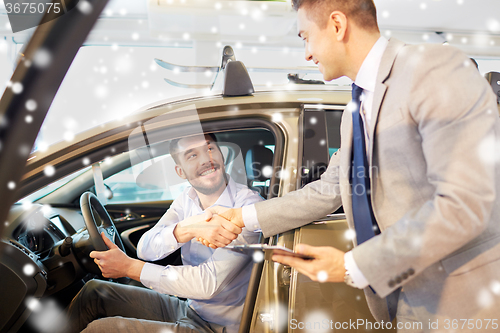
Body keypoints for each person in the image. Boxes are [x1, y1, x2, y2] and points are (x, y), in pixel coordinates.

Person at [201, 0, 500, 330]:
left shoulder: (433, 69)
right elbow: (331, 188)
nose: (307, 54)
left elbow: (465, 202)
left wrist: (353, 265)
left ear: (338, 25)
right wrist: (242, 217)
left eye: (305, 37)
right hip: (405, 300)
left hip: (466, 300)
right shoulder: (354, 111)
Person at [63, 133, 263, 333]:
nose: (206, 160)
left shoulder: (248, 208)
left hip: (218, 327)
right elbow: (145, 248)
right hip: (192, 309)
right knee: (94, 292)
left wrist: (130, 268)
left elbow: (208, 284)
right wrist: (188, 228)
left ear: (222, 154)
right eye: (192, 156)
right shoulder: (188, 198)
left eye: (210, 149)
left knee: (101, 330)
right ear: (180, 171)